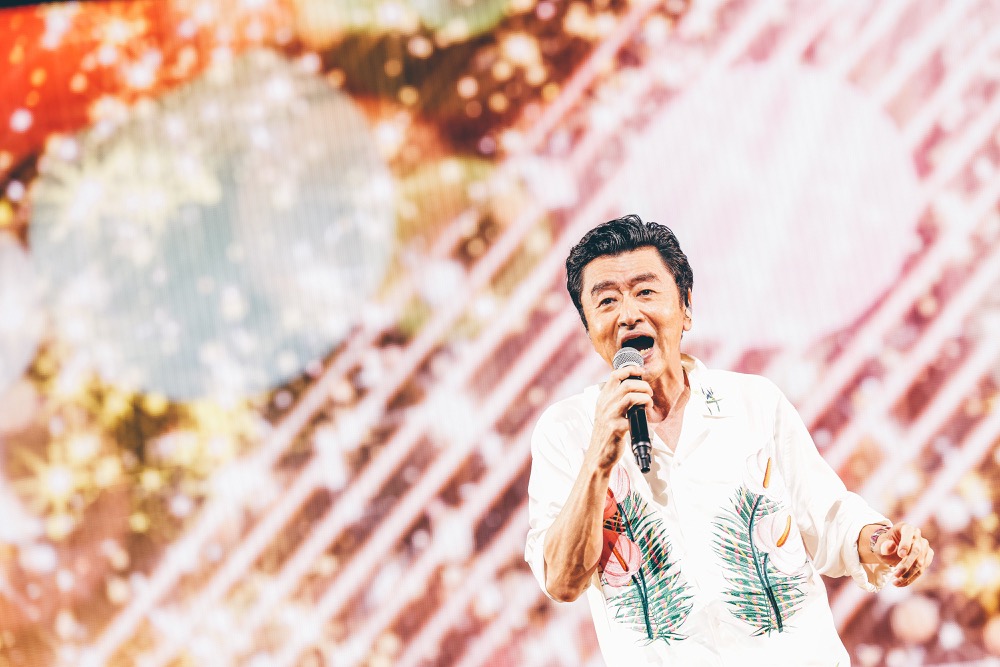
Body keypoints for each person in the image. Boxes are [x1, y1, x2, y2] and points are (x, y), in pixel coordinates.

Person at [524, 214, 934, 666]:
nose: (628, 314)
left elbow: (828, 518)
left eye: (645, 292)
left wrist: (881, 542)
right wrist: (598, 460)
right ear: (589, 329)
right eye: (606, 301)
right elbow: (561, 580)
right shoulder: (565, 431)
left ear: (686, 307)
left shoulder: (753, 403)